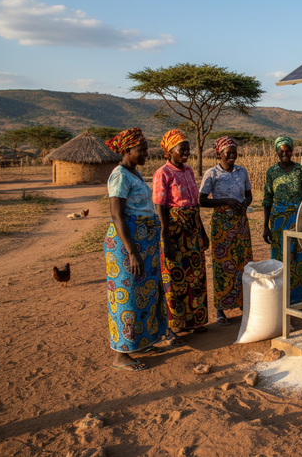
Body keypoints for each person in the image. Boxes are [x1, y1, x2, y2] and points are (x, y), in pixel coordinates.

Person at [104, 128, 167, 371]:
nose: (146, 154)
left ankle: (140, 342)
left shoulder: (135, 174)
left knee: (144, 293)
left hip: (144, 244)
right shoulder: (119, 175)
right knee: (126, 296)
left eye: (146, 149)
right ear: (127, 151)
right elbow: (117, 216)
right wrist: (132, 251)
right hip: (126, 244)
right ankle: (121, 355)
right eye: (141, 150)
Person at [153, 129, 209, 335]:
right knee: (175, 277)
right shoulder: (163, 173)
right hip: (174, 230)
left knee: (196, 275)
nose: (186, 153)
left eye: (187, 149)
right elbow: (159, 207)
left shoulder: (189, 171)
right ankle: (176, 324)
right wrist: (165, 238)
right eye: (181, 150)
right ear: (169, 151)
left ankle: (195, 320)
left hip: (192, 228)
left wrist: (202, 231)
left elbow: (194, 204)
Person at [199, 136, 253, 325]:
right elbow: (202, 200)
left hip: (241, 222)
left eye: (234, 152)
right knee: (222, 264)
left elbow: (249, 195)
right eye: (228, 153)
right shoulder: (211, 174)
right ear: (218, 154)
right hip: (221, 224)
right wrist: (225, 201)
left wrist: (244, 205)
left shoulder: (242, 171)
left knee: (243, 262)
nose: (232, 156)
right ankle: (221, 309)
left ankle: (243, 302)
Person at [262, 136, 302, 304]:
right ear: (276, 151)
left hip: (298, 218)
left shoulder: (300, 170)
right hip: (278, 222)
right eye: (281, 151)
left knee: (300, 256)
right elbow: (267, 200)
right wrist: (265, 227)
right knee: (280, 258)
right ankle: (281, 298)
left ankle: (300, 298)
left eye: (287, 150)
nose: (285, 153)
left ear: (292, 151)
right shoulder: (271, 172)